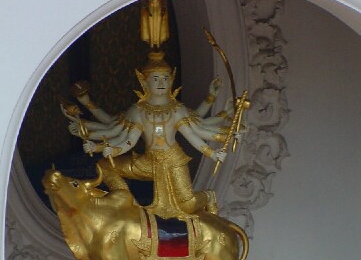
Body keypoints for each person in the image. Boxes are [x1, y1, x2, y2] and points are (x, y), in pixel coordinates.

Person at [62, 51, 237, 218]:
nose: (161, 82)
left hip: (174, 161)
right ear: (144, 83)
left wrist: (212, 153)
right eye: (155, 78)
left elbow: (195, 133)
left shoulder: (177, 110)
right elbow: (127, 140)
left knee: (188, 205)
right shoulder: (138, 111)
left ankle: (208, 196)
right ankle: (127, 204)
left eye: (165, 78)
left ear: (171, 81)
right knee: (104, 166)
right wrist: (103, 148)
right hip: (148, 162)